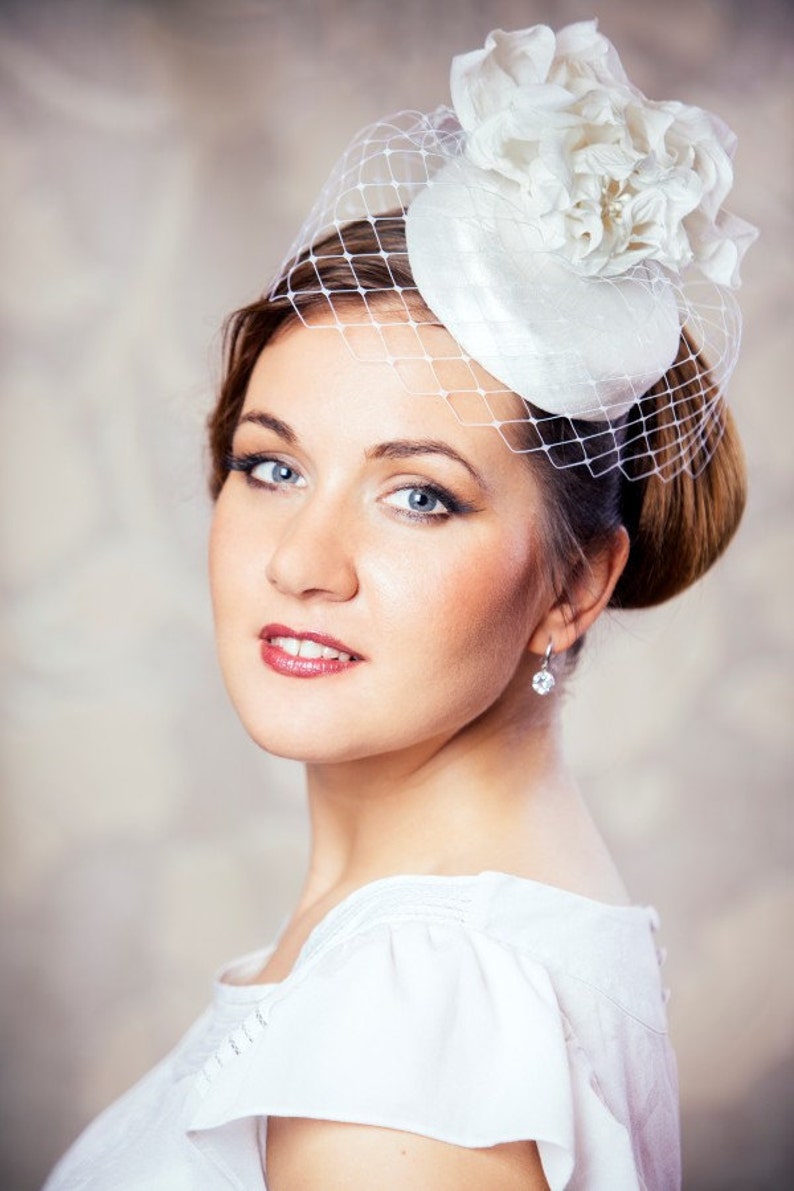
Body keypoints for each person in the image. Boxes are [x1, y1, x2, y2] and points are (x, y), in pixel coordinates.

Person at [43, 19, 756, 1191]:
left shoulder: (413, 1031)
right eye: (271, 467)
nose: (303, 563)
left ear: (574, 585)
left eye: (418, 496)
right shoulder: (435, 967)